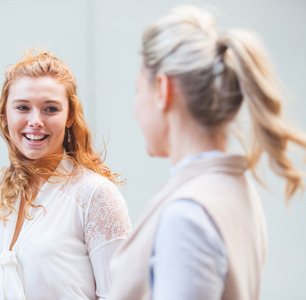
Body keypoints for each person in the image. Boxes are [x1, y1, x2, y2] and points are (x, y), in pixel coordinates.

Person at [110, 5, 306, 300]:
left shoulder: (187, 216)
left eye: (138, 89)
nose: (135, 106)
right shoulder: (234, 188)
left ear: (162, 90)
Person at [0, 49, 132, 299]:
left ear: (70, 116)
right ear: (5, 115)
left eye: (50, 109)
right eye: (22, 107)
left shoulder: (94, 194)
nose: (35, 121)